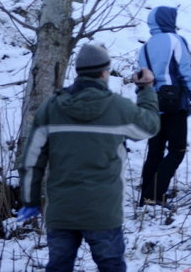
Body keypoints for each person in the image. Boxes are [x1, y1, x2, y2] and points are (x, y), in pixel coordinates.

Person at [17, 43, 160, 272]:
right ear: (105, 72)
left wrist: (30, 200)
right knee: (111, 266)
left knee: (59, 267)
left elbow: (32, 161)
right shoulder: (118, 108)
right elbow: (150, 127)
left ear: (78, 71)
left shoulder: (52, 107)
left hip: (62, 211)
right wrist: (146, 89)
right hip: (104, 212)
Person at [137, 6, 191, 207]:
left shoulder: (145, 47)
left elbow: (140, 77)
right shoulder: (176, 40)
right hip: (175, 102)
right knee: (177, 149)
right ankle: (155, 194)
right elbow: (185, 72)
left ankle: (146, 196)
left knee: (155, 150)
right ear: (168, 20)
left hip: (152, 103)